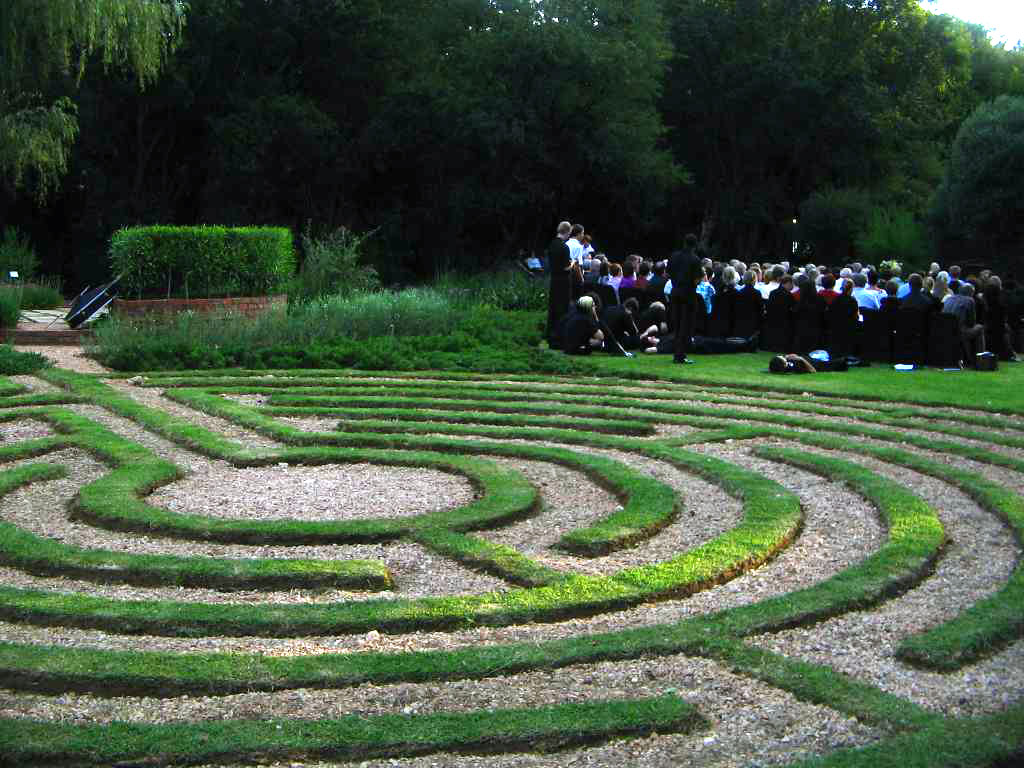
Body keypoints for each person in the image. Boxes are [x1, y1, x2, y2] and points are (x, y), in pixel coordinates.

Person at [667, 234, 703, 364]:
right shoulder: (695, 259)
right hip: (688, 295)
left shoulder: (674, 256)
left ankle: (677, 352)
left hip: (675, 292)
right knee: (685, 326)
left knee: (677, 325)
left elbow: (668, 273)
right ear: (694, 245)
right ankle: (680, 355)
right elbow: (697, 279)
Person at [943, 283, 986, 364]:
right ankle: (980, 358)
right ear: (971, 293)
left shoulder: (949, 299)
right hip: (959, 331)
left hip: (946, 330)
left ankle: (969, 356)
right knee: (980, 328)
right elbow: (971, 323)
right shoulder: (969, 300)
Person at [545, 221, 573, 347]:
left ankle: (550, 335)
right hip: (563, 281)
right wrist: (573, 263)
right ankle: (560, 337)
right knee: (563, 308)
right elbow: (566, 267)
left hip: (554, 280)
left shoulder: (552, 244)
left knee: (553, 307)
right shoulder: (564, 247)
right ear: (567, 231)